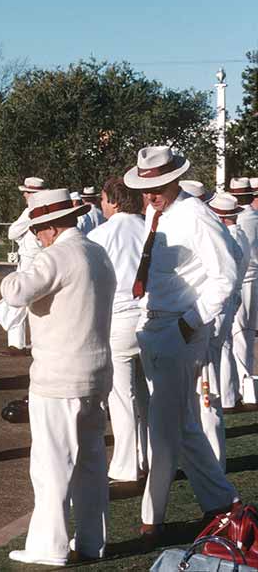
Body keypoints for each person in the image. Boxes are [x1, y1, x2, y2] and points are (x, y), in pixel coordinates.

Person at [123, 147, 240, 544]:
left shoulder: (196, 215)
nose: (151, 194)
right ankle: (222, 503)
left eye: (158, 186)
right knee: (183, 426)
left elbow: (228, 272)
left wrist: (192, 322)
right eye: (146, 187)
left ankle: (151, 520)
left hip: (179, 328)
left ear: (175, 180)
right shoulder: (158, 213)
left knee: (163, 429)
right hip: (154, 324)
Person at [0, 188, 116, 565]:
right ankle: (92, 542)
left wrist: (26, 260)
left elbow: (15, 292)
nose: (37, 236)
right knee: (92, 465)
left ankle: (48, 547)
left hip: (58, 376)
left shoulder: (56, 255)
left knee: (51, 465)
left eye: (38, 229)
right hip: (95, 372)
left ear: (48, 228)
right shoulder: (97, 251)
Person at [86, 177, 147, 483]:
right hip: (151, 317)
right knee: (150, 395)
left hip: (120, 319)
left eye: (102, 199)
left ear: (112, 200)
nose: (101, 204)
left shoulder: (100, 234)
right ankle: (150, 457)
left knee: (122, 397)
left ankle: (126, 465)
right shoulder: (152, 227)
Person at [203, 193, 249, 468]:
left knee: (207, 391)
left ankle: (214, 457)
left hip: (216, 311)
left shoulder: (227, 236)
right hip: (226, 306)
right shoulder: (235, 234)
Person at [0, 176, 46, 357]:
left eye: (26, 192)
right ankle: (38, 341)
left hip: (30, 260)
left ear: (32, 194)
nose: (24, 195)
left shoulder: (30, 211)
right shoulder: (47, 209)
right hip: (41, 259)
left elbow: (12, 233)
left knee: (16, 300)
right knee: (39, 302)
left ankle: (17, 344)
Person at [229, 177, 258, 405]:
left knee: (239, 334)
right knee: (246, 333)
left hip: (244, 279)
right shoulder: (255, 217)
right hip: (253, 279)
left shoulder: (243, 220)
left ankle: (242, 385)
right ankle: (247, 385)